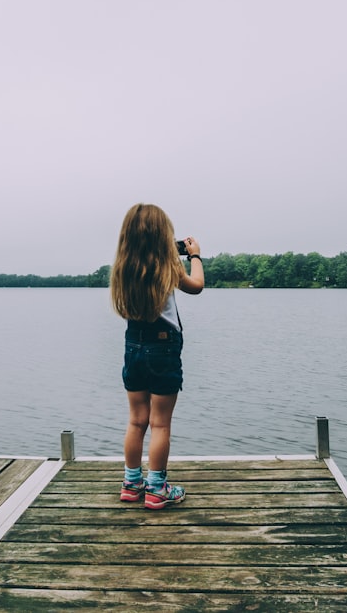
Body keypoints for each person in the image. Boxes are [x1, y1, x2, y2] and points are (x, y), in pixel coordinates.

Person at [110, 203, 204, 509]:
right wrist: (194, 256)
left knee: (136, 421)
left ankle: (130, 483)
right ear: (163, 235)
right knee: (160, 424)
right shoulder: (168, 266)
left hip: (132, 347)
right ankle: (156, 489)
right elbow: (197, 287)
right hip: (163, 348)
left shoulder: (123, 266)